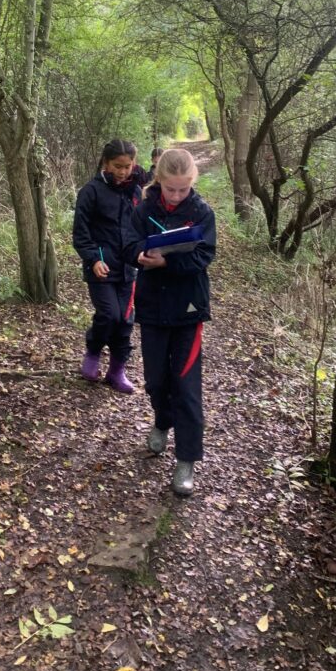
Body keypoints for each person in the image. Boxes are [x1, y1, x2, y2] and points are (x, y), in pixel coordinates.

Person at [124, 148, 216, 496]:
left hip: (189, 308)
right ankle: (163, 420)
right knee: (155, 380)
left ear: (191, 184)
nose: (176, 195)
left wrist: (169, 263)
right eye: (170, 189)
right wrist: (139, 254)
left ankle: (186, 461)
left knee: (186, 387)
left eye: (182, 189)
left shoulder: (202, 212)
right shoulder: (145, 208)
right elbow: (128, 243)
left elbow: (205, 254)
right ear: (159, 181)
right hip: (152, 306)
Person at [72, 139, 141, 394]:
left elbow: (139, 227)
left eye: (127, 166)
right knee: (109, 315)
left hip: (129, 268)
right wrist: (94, 258)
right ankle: (92, 351)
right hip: (100, 267)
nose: (123, 171)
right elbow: (80, 234)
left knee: (125, 320)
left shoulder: (134, 191)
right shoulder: (90, 191)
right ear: (105, 163)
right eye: (117, 166)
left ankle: (116, 372)